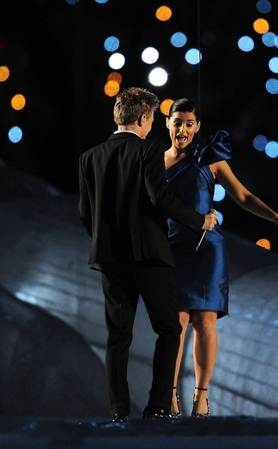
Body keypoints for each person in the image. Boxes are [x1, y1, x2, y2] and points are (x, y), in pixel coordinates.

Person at [78, 87, 219, 422]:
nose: (152, 125)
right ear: (142, 118)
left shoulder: (89, 157)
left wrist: (108, 242)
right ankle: (157, 406)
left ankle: (117, 410)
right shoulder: (149, 151)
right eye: (152, 118)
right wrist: (198, 220)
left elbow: (86, 214)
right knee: (169, 329)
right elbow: (160, 199)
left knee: (118, 336)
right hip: (150, 255)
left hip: (110, 259)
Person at [163, 98, 278, 418]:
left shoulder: (209, 158)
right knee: (175, 324)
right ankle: (168, 396)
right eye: (177, 121)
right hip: (172, 247)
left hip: (206, 247)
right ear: (167, 124)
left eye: (188, 123)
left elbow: (243, 196)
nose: (182, 128)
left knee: (204, 321)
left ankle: (200, 396)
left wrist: (277, 218)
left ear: (197, 128)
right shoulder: (156, 160)